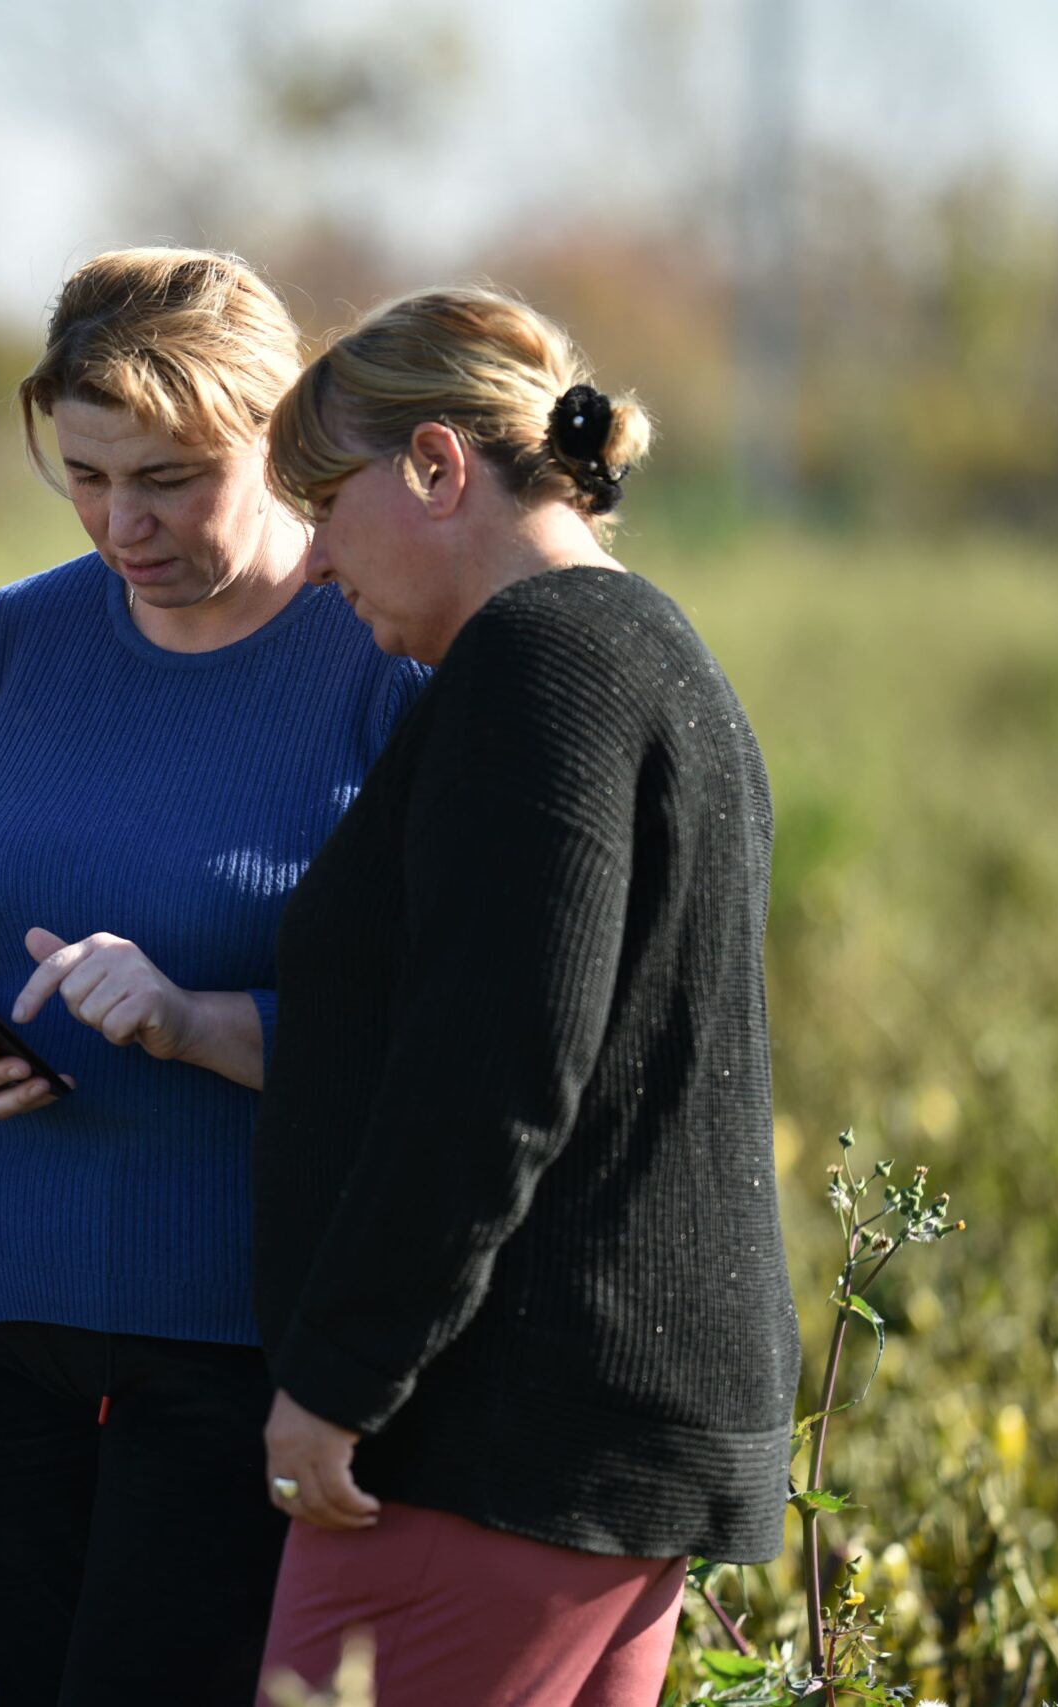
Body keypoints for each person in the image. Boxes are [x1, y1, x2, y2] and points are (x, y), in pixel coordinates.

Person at [0, 248, 427, 1705]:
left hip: (246, 1326)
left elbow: (443, 1025)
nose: (121, 524)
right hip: (9, 1303)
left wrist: (196, 1020)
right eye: (86, 478)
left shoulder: (384, 656)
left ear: (278, 440)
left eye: (169, 480)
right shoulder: (18, 638)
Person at [249, 285, 801, 1706]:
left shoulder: (533, 665)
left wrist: (342, 1376)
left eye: (326, 505)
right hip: (602, 1441)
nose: (314, 562)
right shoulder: (653, 648)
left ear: (437, 467)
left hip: (488, 1442)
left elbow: (492, 1070)